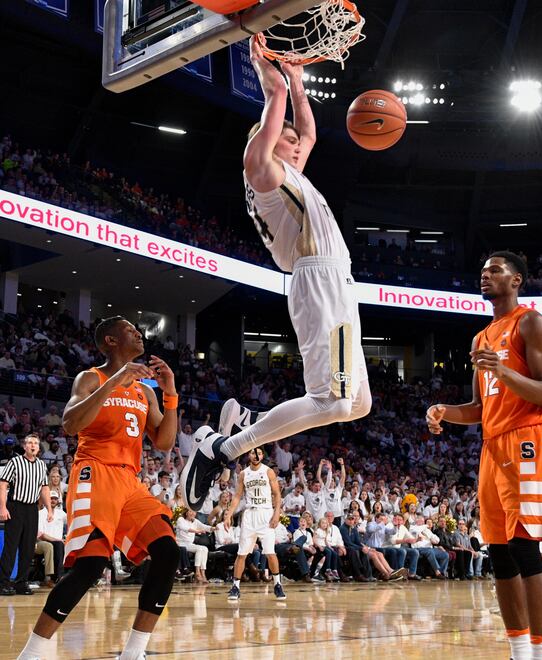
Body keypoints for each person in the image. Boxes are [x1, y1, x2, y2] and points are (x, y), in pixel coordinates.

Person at [181, 35, 371, 512]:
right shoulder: (261, 169)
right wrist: (264, 60)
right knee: (331, 402)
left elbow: (307, 134)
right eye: (283, 137)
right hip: (318, 282)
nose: (296, 142)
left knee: (360, 403)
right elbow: (275, 100)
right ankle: (222, 449)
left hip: (335, 284)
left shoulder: (289, 171)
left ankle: (250, 419)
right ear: (263, 140)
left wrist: (302, 84)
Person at [18, 316, 180, 660]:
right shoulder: (91, 377)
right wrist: (117, 380)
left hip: (130, 480)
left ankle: (133, 653)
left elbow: (164, 442)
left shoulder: (144, 390)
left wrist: (170, 394)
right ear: (110, 340)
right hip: (96, 472)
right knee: (90, 567)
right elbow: (70, 423)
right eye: (130, 330)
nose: (138, 333)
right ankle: (31, 654)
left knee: (167, 552)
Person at [427, 251, 542, 660]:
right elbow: (480, 408)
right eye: (482, 271)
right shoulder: (480, 338)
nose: (485, 276)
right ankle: (519, 652)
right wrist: (446, 412)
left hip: (528, 440)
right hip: (491, 445)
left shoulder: (531, 323)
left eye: (495, 270)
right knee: (499, 552)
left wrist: (503, 371)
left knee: (525, 548)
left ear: (517, 280)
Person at [223, 448, 286, 601]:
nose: (256, 455)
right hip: (250, 514)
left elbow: (277, 494)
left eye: (258, 453)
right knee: (242, 553)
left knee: (270, 552)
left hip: (265, 513)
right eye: (252, 453)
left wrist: (277, 513)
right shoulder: (243, 474)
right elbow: (237, 496)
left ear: (262, 455)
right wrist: (229, 514)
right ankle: (235, 587)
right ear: (249, 455)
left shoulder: (268, 471)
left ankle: (277, 584)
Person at [0, 433, 52, 596]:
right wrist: (2, 508)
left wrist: (49, 509)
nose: (33, 445)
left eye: (36, 443)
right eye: (30, 443)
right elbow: (3, 485)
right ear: (24, 446)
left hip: (32, 509)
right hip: (15, 507)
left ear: (38, 447)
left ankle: (21, 583)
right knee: (11, 547)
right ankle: (3, 583)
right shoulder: (15, 462)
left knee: (28, 548)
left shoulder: (42, 465)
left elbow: (44, 488)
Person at [34, 490, 67, 587]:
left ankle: (58, 577)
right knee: (58, 545)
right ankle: (59, 576)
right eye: (51, 498)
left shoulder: (61, 513)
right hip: (44, 541)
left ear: (58, 501)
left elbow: (72, 522)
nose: (53, 500)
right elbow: (41, 535)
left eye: (55, 499)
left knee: (60, 545)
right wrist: (58, 540)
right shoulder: (40, 514)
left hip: (58, 542)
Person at [175, 508, 213, 583]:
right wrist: (197, 531)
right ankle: (197, 572)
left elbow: (204, 526)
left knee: (204, 548)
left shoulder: (195, 521)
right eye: (190, 511)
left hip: (190, 544)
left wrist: (213, 528)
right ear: (186, 513)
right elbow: (185, 528)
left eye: (194, 512)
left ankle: (203, 573)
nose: (192, 513)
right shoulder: (181, 519)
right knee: (199, 549)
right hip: (181, 544)